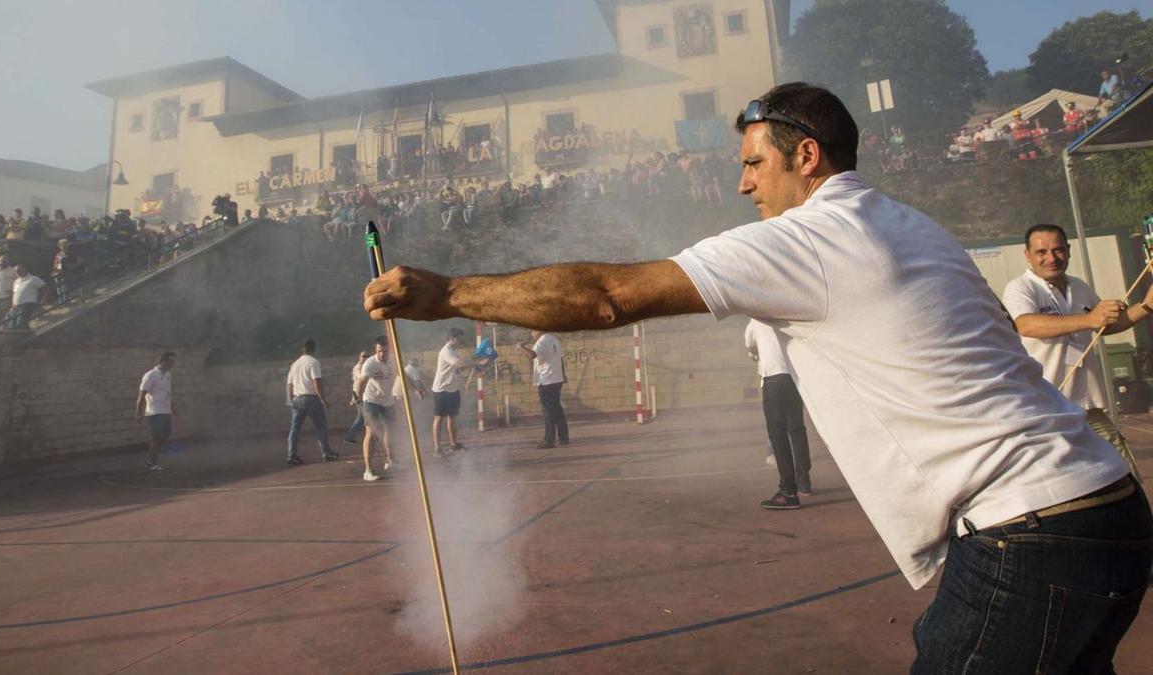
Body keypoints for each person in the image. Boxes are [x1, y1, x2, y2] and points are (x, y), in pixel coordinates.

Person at [363, 82, 1151, 672]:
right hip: (1107, 504)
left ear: (806, 156)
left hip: (1029, 530)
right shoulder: (910, 223)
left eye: (753, 163)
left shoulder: (811, 236)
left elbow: (606, 298)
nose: (743, 185)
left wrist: (449, 294)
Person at [1001, 224, 1146, 482]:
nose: (1051, 258)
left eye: (1058, 250)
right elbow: (1026, 325)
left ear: (1068, 251)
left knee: (1125, 473)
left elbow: (1107, 326)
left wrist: (1146, 305)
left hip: (1089, 406)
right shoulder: (1020, 288)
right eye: (1041, 252)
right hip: (1046, 409)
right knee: (1063, 483)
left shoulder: (1078, 286)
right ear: (1027, 255)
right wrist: (1090, 318)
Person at [745, 319, 812, 509]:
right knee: (797, 430)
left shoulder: (755, 321)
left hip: (773, 378)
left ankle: (788, 491)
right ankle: (804, 483)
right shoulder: (787, 316)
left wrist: (755, 353)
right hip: (794, 378)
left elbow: (750, 348)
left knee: (778, 435)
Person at [285, 339, 340, 465]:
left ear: (302, 350)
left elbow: (289, 384)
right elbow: (317, 381)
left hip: (297, 398)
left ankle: (292, 455)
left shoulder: (294, 364)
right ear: (313, 349)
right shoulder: (314, 362)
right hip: (311, 398)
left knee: (295, 429)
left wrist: (290, 400)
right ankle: (326, 453)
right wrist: (323, 399)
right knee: (320, 426)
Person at [355, 336, 402, 481]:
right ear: (376, 350)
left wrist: (417, 389)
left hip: (387, 400)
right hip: (371, 400)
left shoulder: (394, 360)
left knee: (391, 429)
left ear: (389, 350)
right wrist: (357, 397)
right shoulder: (370, 363)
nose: (382, 354)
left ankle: (391, 461)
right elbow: (361, 381)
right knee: (372, 433)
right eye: (379, 351)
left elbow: (404, 375)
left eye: (385, 351)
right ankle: (368, 470)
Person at [517, 329, 568, 449]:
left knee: (548, 412)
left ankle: (549, 440)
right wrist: (563, 375)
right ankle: (564, 437)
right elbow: (560, 359)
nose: (531, 334)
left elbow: (532, 355)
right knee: (557, 409)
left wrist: (520, 347)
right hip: (556, 379)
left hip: (546, 381)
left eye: (532, 331)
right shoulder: (554, 339)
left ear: (538, 331)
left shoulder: (542, 341)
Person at [431, 328, 471, 456]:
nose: (460, 341)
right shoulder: (446, 351)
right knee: (439, 418)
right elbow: (459, 364)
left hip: (452, 389)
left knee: (452, 417)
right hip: (441, 389)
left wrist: (474, 366)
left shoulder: (454, 350)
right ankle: (437, 448)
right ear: (452, 338)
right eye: (459, 338)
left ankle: (454, 444)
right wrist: (476, 363)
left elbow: (456, 369)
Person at [135, 352, 175, 472]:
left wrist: (173, 406)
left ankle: (152, 459)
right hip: (155, 411)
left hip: (166, 410)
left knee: (166, 435)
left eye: (173, 362)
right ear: (163, 361)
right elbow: (141, 395)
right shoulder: (150, 375)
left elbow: (167, 393)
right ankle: (151, 462)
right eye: (170, 362)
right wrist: (138, 413)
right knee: (156, 437)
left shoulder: (168, 375)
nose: (173, 364)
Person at [3, 264, 47, 330]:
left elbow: (44, 287)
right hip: (16, 305)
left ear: (24, 269)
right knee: (11, 324)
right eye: (16, 271)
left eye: (19, 270)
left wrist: (43, 298)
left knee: (20, 322)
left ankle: (24, 335)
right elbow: (15, 293)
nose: (17, 272)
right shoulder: (16, 281)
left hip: (27, 303)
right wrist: (12, 305)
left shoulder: (33, 278)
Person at [345, 350, 372, 446]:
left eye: (367, 356)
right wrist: (356, 397)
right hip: (358, 395)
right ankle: (349, 436)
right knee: (362, 417)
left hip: (363, 394)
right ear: (359, 357)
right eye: (363, 356)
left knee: (362, 417)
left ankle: (350, 436)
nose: (365, 358)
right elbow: (360, 379)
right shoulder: (358, 367)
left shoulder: (366, 367)